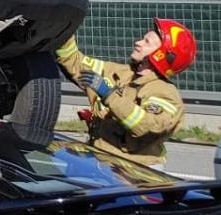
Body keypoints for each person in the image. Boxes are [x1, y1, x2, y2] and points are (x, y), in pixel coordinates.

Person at [54, 18, 194, 167]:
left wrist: (110, 95)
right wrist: (62, 26)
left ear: (161, 55)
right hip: (100, 163)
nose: (138, 42)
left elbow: (149, 126)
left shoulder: (164, 92)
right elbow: (75, 62)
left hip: (136, 174)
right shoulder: (121, 73)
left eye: (146, 42)